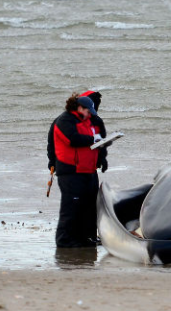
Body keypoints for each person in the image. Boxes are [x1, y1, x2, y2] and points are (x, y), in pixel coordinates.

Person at [46, 92, 107, 247]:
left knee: (89, 206)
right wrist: (52, 163)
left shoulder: (91, 120)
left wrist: (102, 158)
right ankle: (65, 242)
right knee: (71, 208)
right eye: (89, 110)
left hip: (89, 170)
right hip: (71, 171)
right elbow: (71, 139)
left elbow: (99, 141)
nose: (91, 114)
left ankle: (88, 238)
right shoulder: (64, 120)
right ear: (80, 107)